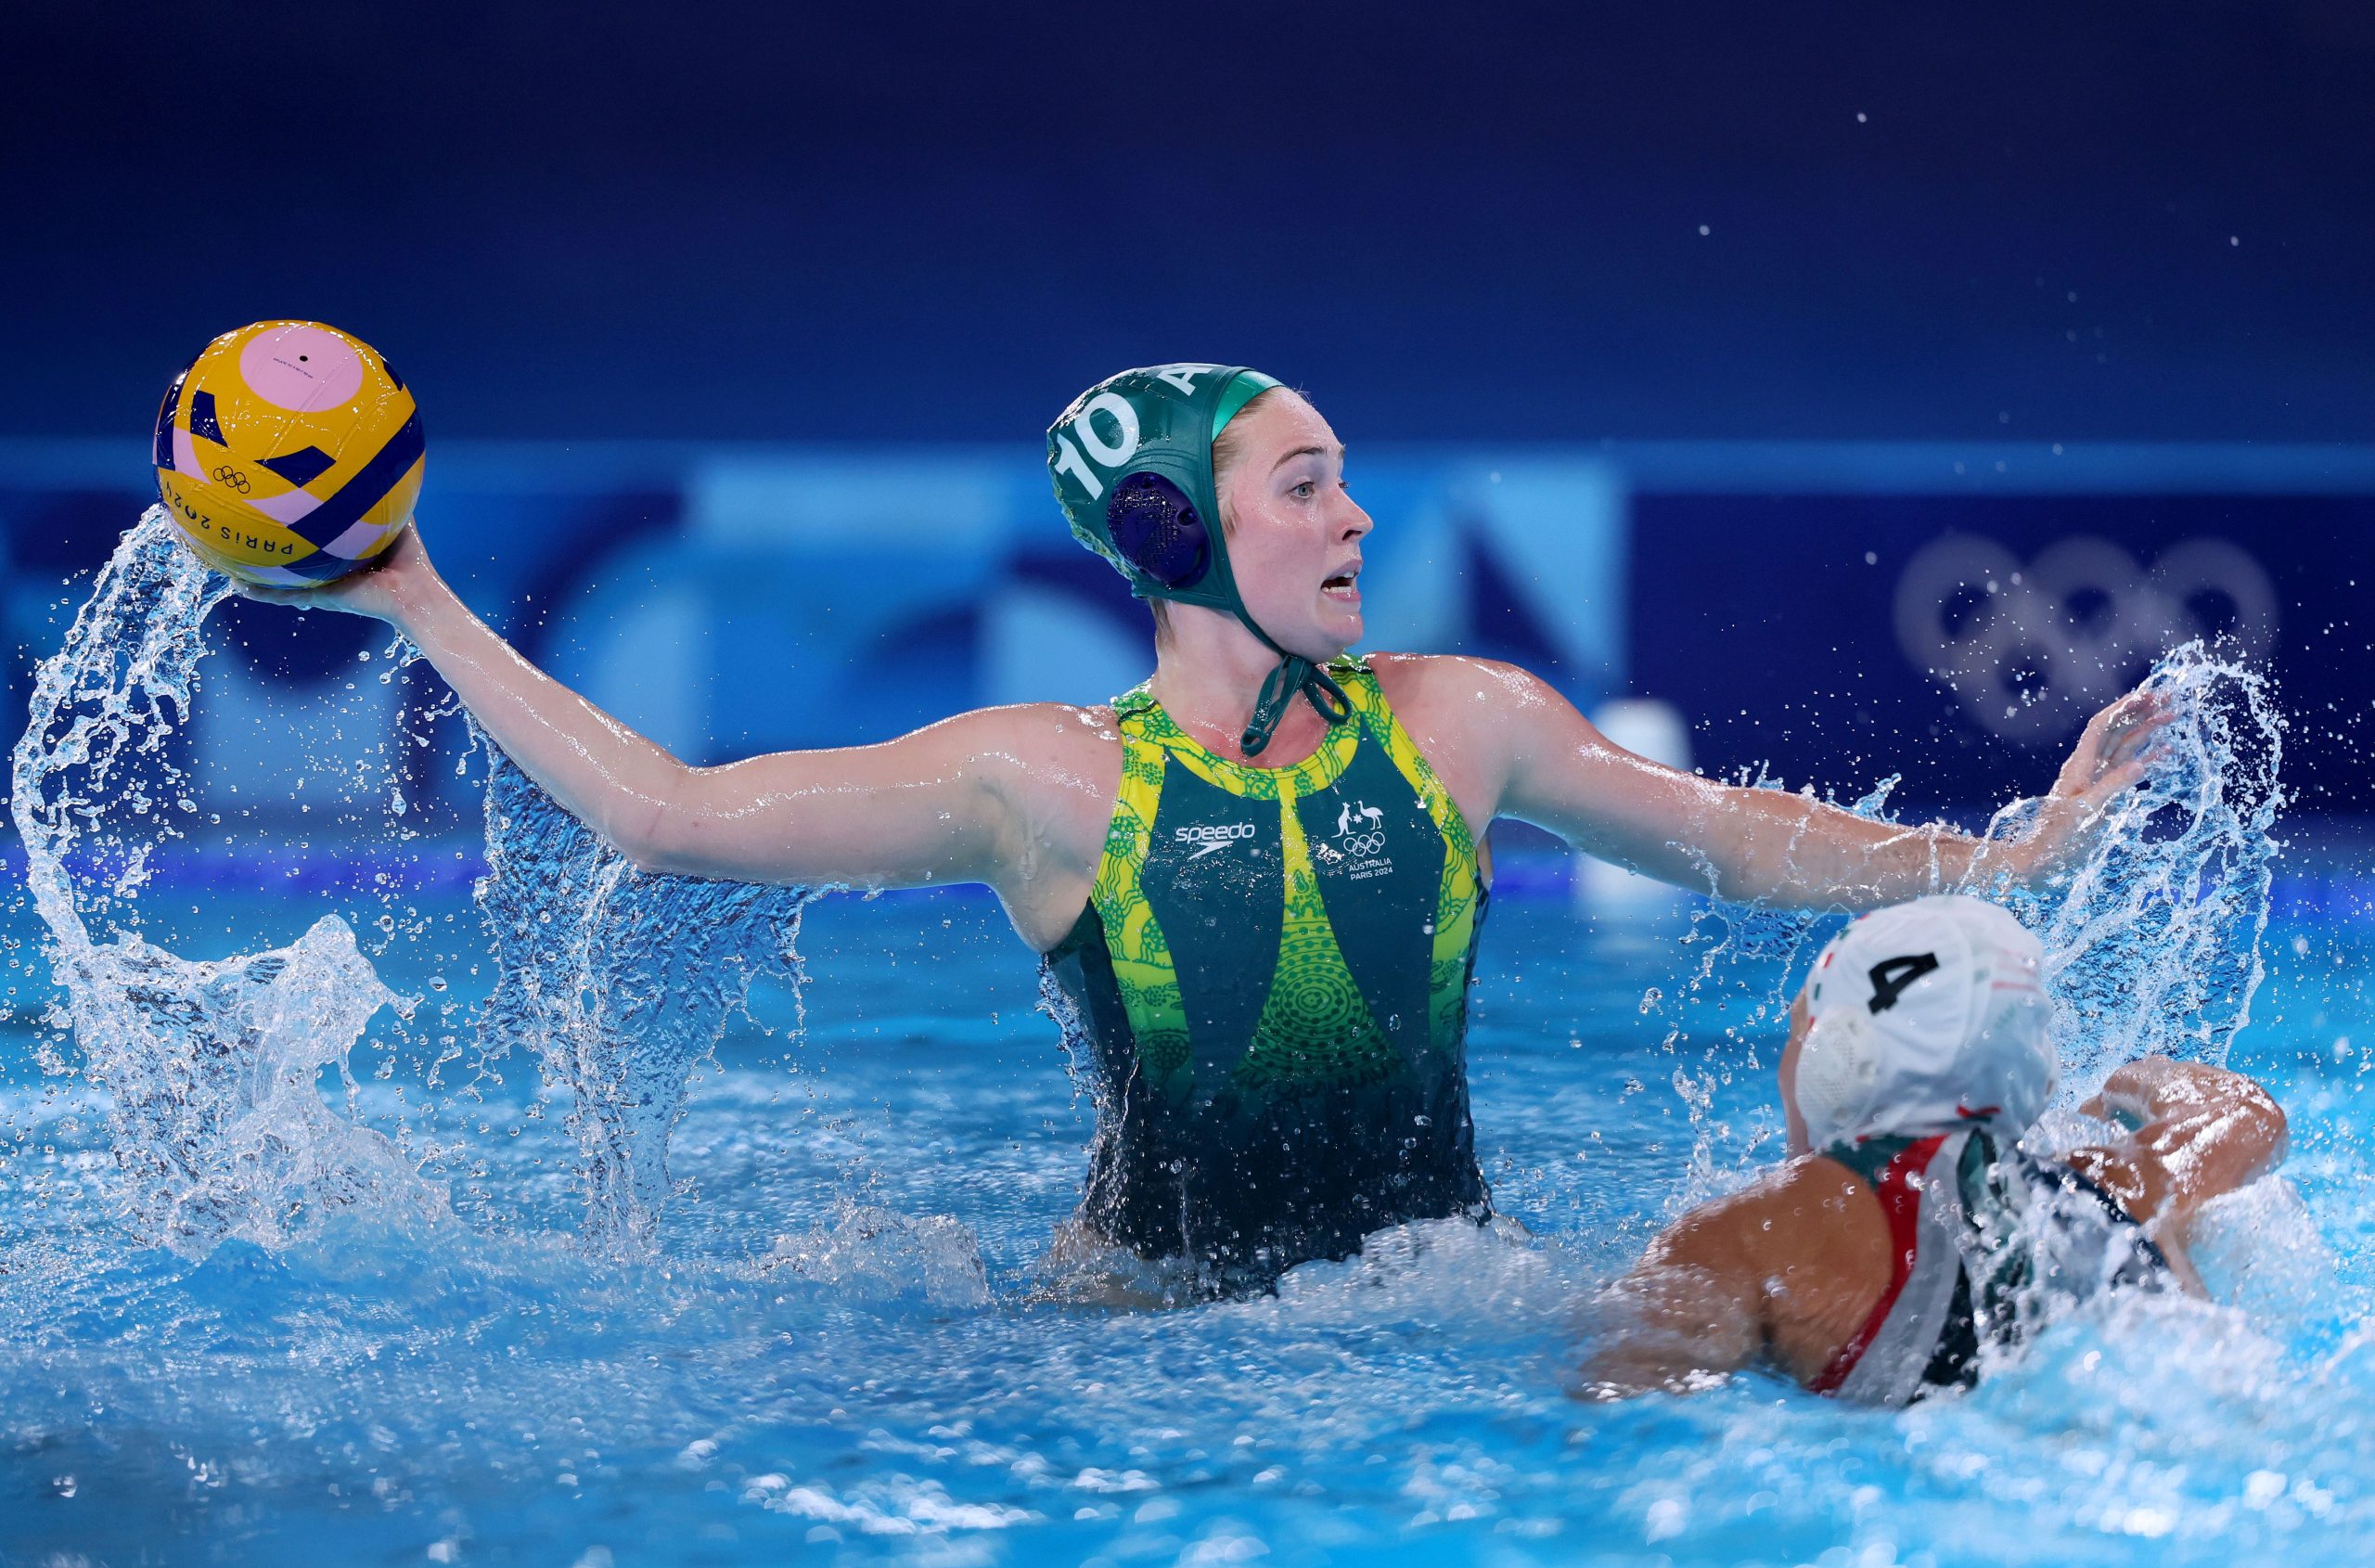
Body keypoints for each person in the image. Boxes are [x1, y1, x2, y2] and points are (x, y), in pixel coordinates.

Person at [253, 363, 2166, 1295]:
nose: (1352, 523)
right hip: (1127, 1346)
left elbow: (1727, 842)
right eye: (1306, 486)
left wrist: (2009, 861)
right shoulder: (1043, 782)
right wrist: (416, 595)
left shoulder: (1458, 721)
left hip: (1440, 1299)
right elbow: (660, 815)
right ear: (1175, 532)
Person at [1575, 895, 2288, 1405]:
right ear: (2033, 1075)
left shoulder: (1750, 1233)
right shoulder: (2127, 1187)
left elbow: (1620, 1409)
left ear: (1838, 1057)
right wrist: (2134, 1078)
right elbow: (2245, 1112)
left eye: (1799, 1030)